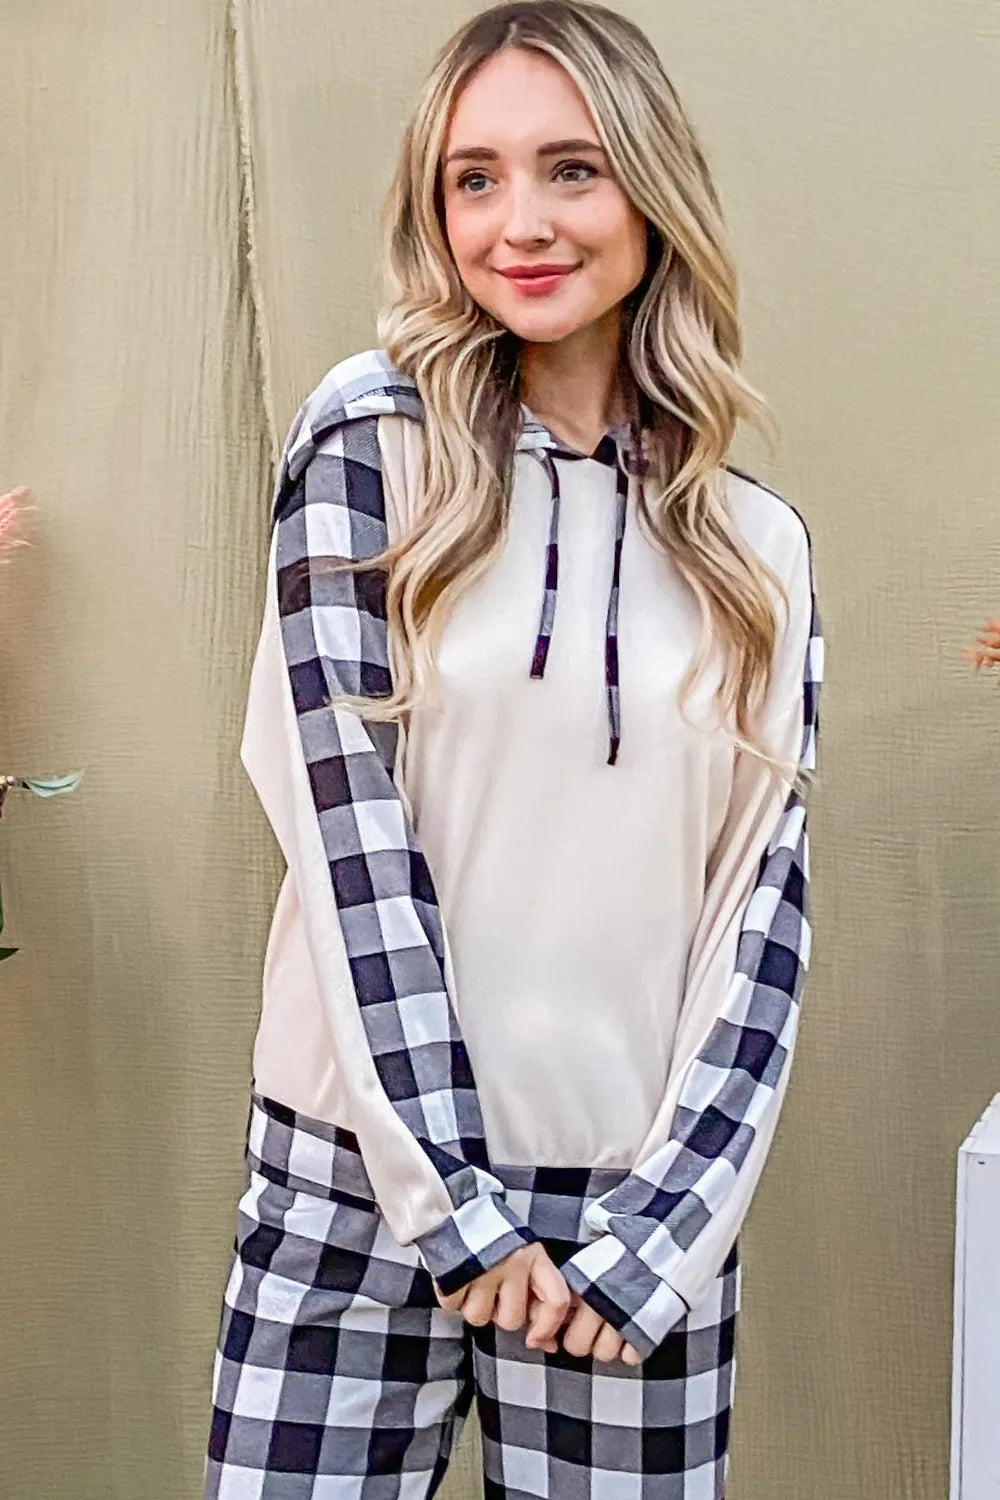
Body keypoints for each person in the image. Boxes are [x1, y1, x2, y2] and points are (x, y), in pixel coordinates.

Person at [204, 3, 824, 1497]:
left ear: (653, 193)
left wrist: (666, 1230)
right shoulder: (368, 447)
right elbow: (350, 837)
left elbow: (761, 913)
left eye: (572, 169)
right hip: (355, 1183)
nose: (521, 224)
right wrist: (452, 1204)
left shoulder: (757, 546)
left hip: (626, 1222)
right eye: (473, 179)